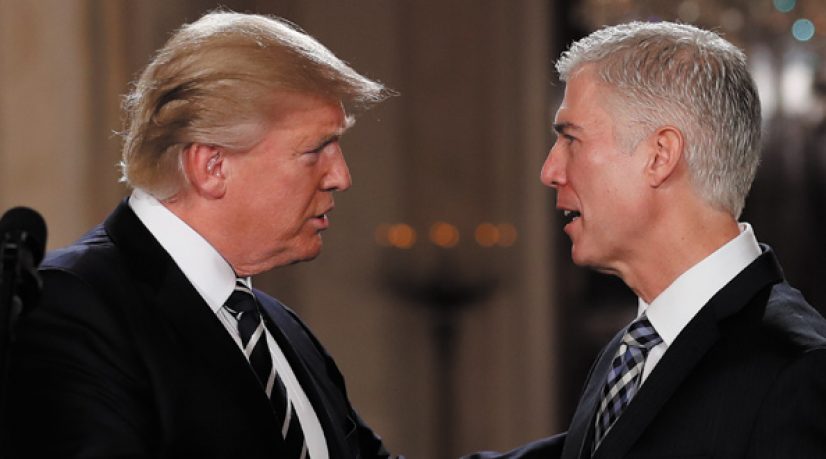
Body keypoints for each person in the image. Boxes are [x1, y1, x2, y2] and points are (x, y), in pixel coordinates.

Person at [5, 11, 398, 459]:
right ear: (211, 166)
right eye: (315, 150)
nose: (341, 176)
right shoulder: (69, 307)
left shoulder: (282, 328)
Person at [468, 21, 826, 459]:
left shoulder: (797, 370)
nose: (549, 171)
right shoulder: (634, 349)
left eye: (571, 139)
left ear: (660, 156)